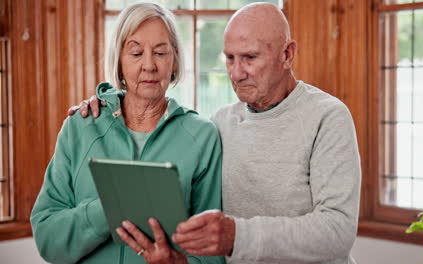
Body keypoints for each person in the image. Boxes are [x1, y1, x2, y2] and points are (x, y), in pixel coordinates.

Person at [72, 3, 361, 264]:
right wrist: (106, 100)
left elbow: (337, 230)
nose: (236, 73)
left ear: (287, 55)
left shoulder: (328, 117)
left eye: (249, 58)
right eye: (230, 58)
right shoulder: (219, 125)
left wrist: (237, 236)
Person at [31, 3, 224, 264]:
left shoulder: (202, 137)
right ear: (119, 61)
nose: (149, 65)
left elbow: (213, 255)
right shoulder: (81, 126)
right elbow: (47, 239)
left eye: (160, 52)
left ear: (175, 59)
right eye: (135, 53)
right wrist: (111, 208)